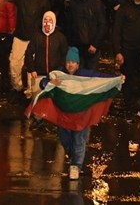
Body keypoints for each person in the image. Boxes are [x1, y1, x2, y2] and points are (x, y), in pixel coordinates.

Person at [41, 47, 121, 180]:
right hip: (64, 117)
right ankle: (74, 159)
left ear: (78, 64)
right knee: (65, 139)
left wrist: (117, 78)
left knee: (79, 139)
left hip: (81, 116)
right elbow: (44, 82)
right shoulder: (59, 74)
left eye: (73, 62)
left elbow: (101, 78)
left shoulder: (85, 74)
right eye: (68, 62)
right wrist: (49, 82)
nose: (70, 64)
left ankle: (76, 166)